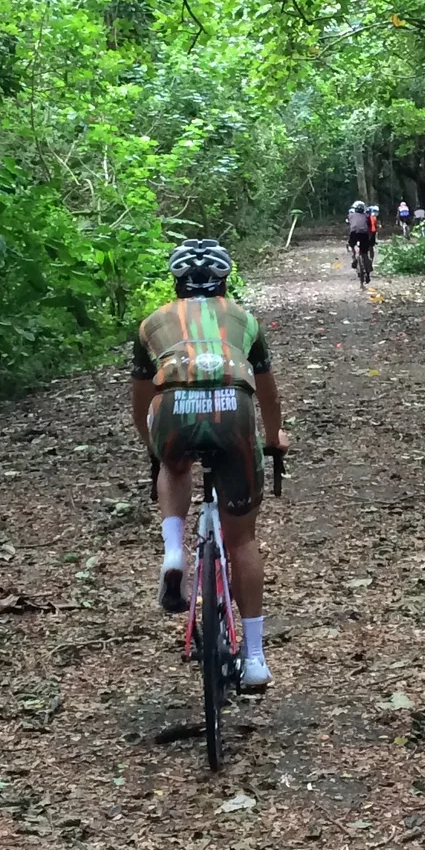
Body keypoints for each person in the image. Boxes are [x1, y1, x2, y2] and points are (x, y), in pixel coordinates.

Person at [129, 240, 290, 691]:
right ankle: (255, 659)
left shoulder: (152, 323)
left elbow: (141, 400)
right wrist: (275, 439)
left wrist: (154, 448)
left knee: (174, 464)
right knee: (242, 541)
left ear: (176, 282)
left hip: (172, 409)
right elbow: (270, 395)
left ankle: (175, 549)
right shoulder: (245, 319)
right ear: (225, 279)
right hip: (233, 411)